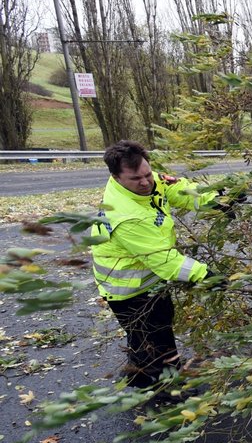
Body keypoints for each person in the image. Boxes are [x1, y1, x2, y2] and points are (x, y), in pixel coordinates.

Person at [91, 140, 223, 389]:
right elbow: (163, 259)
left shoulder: (149, 181)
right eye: (135, 179)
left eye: (147, 174)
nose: (145, 182)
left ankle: (138, 375)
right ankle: (166, 391)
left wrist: (214, 201)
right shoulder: (126, 215)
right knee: (157, 336)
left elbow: (179, 190)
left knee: (143, 334)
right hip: (126, 287)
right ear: (116, 178)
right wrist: (205, 275)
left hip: (145, 277)